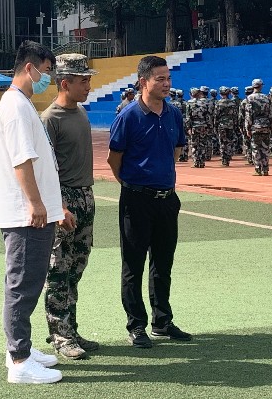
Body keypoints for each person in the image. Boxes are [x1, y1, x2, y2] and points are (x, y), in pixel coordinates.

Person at [107, 55, 190, 349]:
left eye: (168, 78)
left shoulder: (174, 114)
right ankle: (136, 325)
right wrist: (133, 184)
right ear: (144, 81)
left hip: (166, 199)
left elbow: (176, 150)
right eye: (160, 79)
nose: (167, 84)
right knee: (134, 264)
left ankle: (162, 321)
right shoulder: (128, 116)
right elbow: (114, 159)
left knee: (163, 262)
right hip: (136, 199)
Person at [0, 40, 64, 384]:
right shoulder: (16, 107)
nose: (47, 78)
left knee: (29, 283)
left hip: (34, 212)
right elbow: (22, 161)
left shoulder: (21, 103)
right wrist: (36, 204)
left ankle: (20, 349)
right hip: (26, 215)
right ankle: (19, 360)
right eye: (46, 71)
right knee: (22, 286)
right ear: (29, 68)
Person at [41, 54, 100, 360]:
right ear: (65, 83)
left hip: (85, 195)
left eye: (89, 80)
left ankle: (70, 328)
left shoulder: (80, 112)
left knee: (76, 268)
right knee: (58, 270)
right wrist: (60, 207)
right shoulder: (50, 119)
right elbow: (46, 169)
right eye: (83, 81)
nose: (88, 86)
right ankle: (60, 335)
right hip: (64, 199)